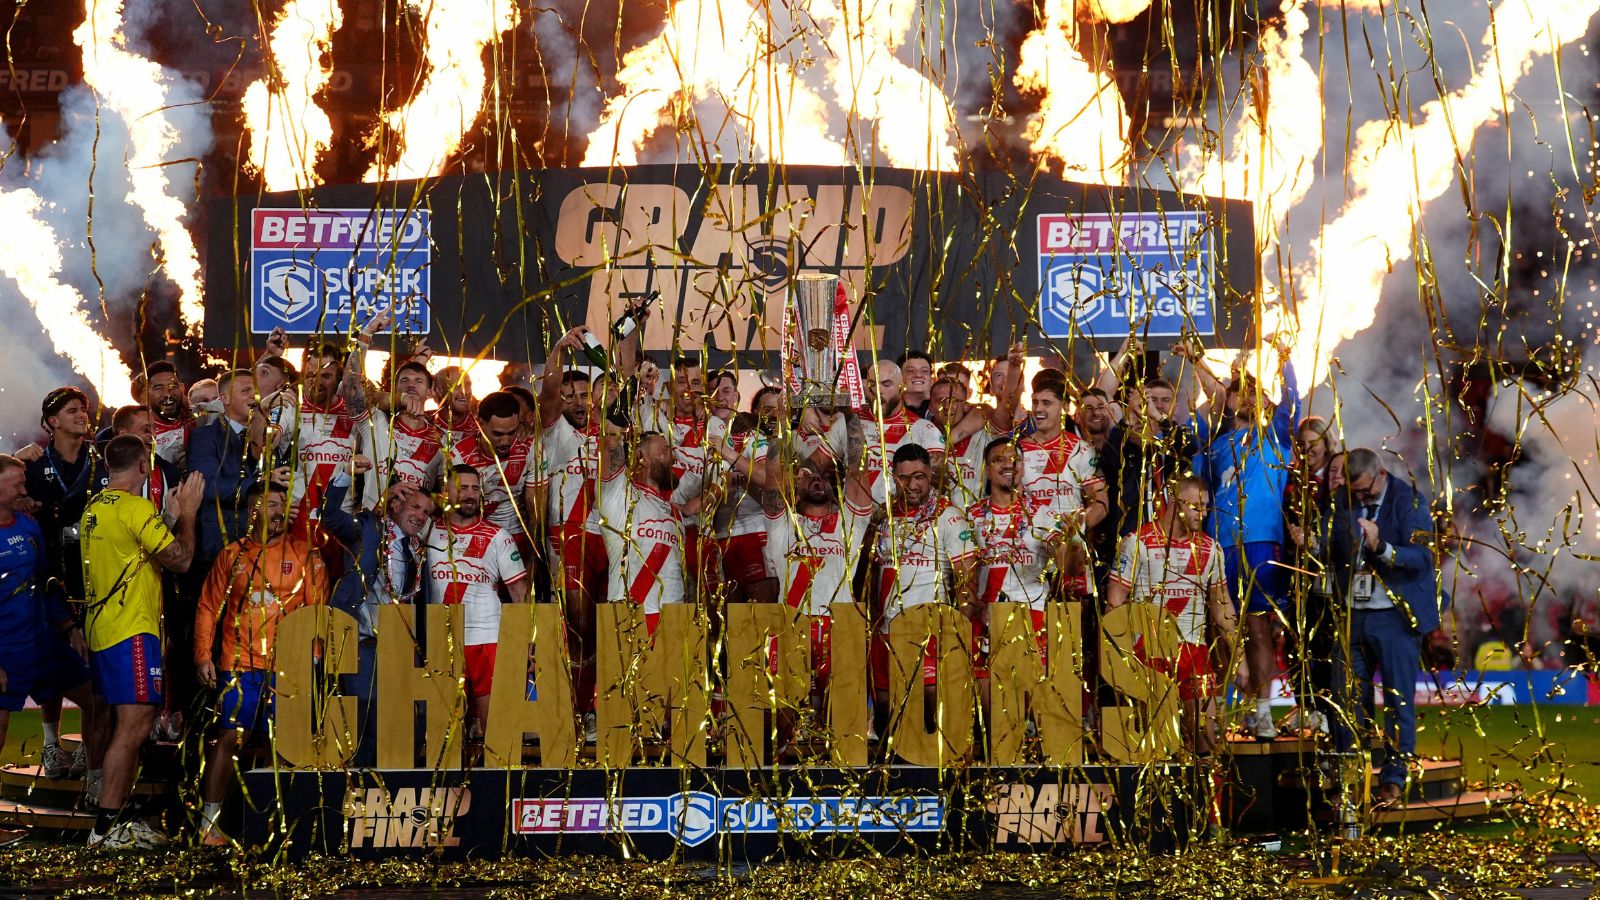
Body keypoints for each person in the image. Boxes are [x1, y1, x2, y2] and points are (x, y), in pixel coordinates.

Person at [80, 435, 203, 849]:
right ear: (144, 468)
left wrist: (163, 520)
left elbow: (135, 552)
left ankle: (111, 817)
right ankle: (105, 828)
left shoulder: (96, 506)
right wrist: (186, 514)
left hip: (105, 627)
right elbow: (181, 560)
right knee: (134, 726)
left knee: (124, 723)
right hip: (132, 629)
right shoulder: (136, 507)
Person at [193, 481, 328, 846]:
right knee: (228, 739)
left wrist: (310, 660)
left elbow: (318, 612)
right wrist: (203, 654)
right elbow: (209, 607)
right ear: (251, 512)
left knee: (285, 746)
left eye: (282, 503)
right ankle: (209, 824)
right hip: (239, 665)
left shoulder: (306, 554)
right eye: (269, 504)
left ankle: (281, 827)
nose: (278, 510)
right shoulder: (231, 556)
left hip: (287, 669)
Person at [1184, 338, 1299, 740]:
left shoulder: (1277, 438)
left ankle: (1263, 712)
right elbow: (1197, 411)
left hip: (1262, 544)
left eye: (1255, 394)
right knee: (1219, 629)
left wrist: (1284, 360)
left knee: (1259, 628)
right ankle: (1225, 707)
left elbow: (1292, 401)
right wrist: (1193, 363)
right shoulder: (1212, 447)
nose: (1246, 400)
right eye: (1238, 395)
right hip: (1219, 548)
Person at [1329, 448, 1440, 807]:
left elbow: (1423, 557)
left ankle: (1393, 782)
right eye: (1354, 492)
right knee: (1347, 702)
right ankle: (1351, 781)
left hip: (1394, 615)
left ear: (1380, 474)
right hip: (1352, 614)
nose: (1360, 498)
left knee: (1398, 703)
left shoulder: (1409, 500)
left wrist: (1383, 548)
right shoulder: (1342, 500)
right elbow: (1335, 550)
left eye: (1364, 491)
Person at [1105, 476, 1237, 754]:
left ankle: (1206, 793)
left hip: (1194, 652)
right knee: (1157, 749)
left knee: (1206, 740)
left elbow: (1222, 605)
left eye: (1206, 508)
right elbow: (1114, 604)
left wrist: (1241, 657)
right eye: (1195, 507)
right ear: (1175, 503)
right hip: (1149, 652)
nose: (1202, 514)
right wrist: (1122, 661)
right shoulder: (1136, 542)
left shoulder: (1211, 549)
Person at [0, 454, 94, 841]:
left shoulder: (28, 525)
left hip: (42, 641)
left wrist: (68, 626)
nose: (25, 489)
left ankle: (97, 783)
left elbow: (45, 582)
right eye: (17, 483)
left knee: (97, 697)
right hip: (6, 650)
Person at [18, 388, 109, 778]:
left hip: (97, 571)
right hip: (51, 572)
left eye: (83, 410)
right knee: (55, 664)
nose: (81, 415)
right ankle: (52, 742)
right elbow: (11, 495)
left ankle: (90, 753)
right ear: (51, 421)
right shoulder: (35, 464)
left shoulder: (101, 459)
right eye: (71, 411)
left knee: (93, 665)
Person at [317, 472, 435, 767]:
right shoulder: (368, 528)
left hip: (402, 646)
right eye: (415, 507)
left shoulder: (418, 551)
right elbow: (329, 516)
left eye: (426, 512)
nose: (421, 515)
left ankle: (399, 786)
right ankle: (361, 795)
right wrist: (347, 473)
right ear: (396, 504)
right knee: (364, 719)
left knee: (415, 716)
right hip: (363, 643)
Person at [967, 438, 1083, 716]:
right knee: (990, 715)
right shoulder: (971, 517)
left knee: (1028, 711)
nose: (1009, 465)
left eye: (1015, 460)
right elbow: (963, 577)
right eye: (999, 460)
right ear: (986, 468)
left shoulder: (1043, 516)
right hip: (984, 621)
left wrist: (1075, 541)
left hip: (1033, 620)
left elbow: (1070, 567)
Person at [870, 443, 978, 741]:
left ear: (930, 474)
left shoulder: (949, 515)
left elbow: (967, 577)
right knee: (884, 720)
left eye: (920, 476)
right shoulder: (884, 517)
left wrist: (958, 632)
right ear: (894, 476)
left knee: (928, 716)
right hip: (887, 631)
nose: (913, 485)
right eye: (905, 478)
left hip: (929, 630)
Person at [425, 465, 529, 733]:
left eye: (474, 488)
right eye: (462, 488)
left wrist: (527, 641)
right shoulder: (426, 531)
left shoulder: (498, 536)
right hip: (443, 639)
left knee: (493, 730)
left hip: (487, 639)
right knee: (446, 737)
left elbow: (520, 594)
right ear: (445, 492)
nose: (470, 494)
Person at [595, 428, 688, 637]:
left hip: (675, 617)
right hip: (631, 617)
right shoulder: (619, 497)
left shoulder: (675, 513)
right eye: (664, 451)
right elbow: (610, 442)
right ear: (640, 457)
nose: (671, 457)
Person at [454, 391, 542, 557]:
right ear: (481, 423)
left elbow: (535, 511)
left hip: (517, 536)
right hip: (473, 536)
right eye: (498, 434)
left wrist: (533, 558)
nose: (505, 441)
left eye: (511, 432)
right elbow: (454, 514)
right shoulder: (458, 456)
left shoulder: (531, 448)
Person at [860, 359, 944, 505]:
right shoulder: (852, 423)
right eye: (872, 384)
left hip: (900, 519)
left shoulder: (923, 428)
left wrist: (895, 507)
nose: (878, 391)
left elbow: (939, 480)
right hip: (853, 519)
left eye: (886, 384)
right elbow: (819, 466)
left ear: (902, 386)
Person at [363, 360, 444, 509]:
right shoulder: (378, 422)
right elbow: (361, 393)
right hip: (372, 526)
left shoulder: (441, 441)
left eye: (418, 381)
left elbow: (448, 496)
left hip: (414, 528)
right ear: (394, 388)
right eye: (404, 380)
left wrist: (424, 506)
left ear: (429, 392)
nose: (411, 385)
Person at [137, 361, 191, 470]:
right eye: (159, 388)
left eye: (173, 386)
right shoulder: (140, 434)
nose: (167, 394)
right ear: (146, 393)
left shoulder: (199, 419)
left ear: (182, 388)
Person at [896, 350, 935, 417]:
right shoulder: (888, 412)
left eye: (924, 371)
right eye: (910, 371)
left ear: (932, 381)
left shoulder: (943, 412)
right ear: (899, 379)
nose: (918, 375)